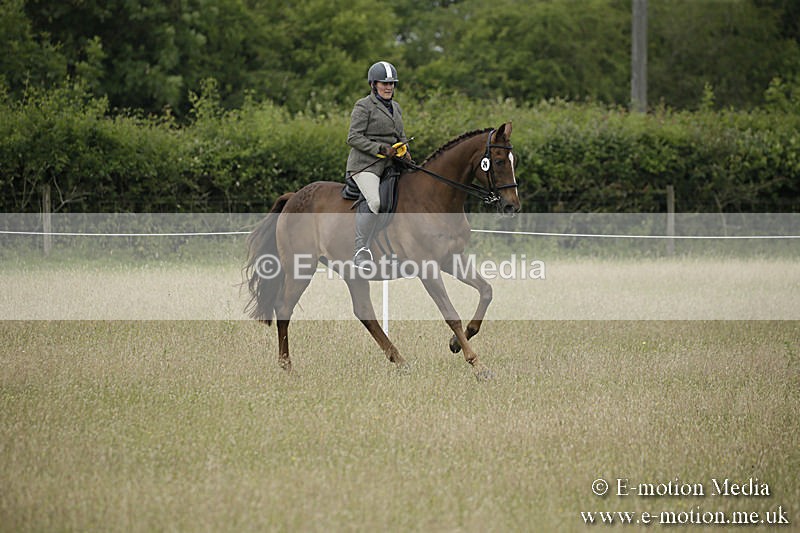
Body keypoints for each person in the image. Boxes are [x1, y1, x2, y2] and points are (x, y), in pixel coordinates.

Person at [346, 60, 411, 270]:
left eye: (392, 84)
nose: (389, 87)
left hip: (392, 165)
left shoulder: (396, 108)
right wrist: (381, 149)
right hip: (365, 165)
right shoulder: (363, 106)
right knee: (375, 202)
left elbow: (400, 135)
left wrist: (405, 152)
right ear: (373, 84)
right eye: (384, 83)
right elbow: (353, 137)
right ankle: (360, 250)